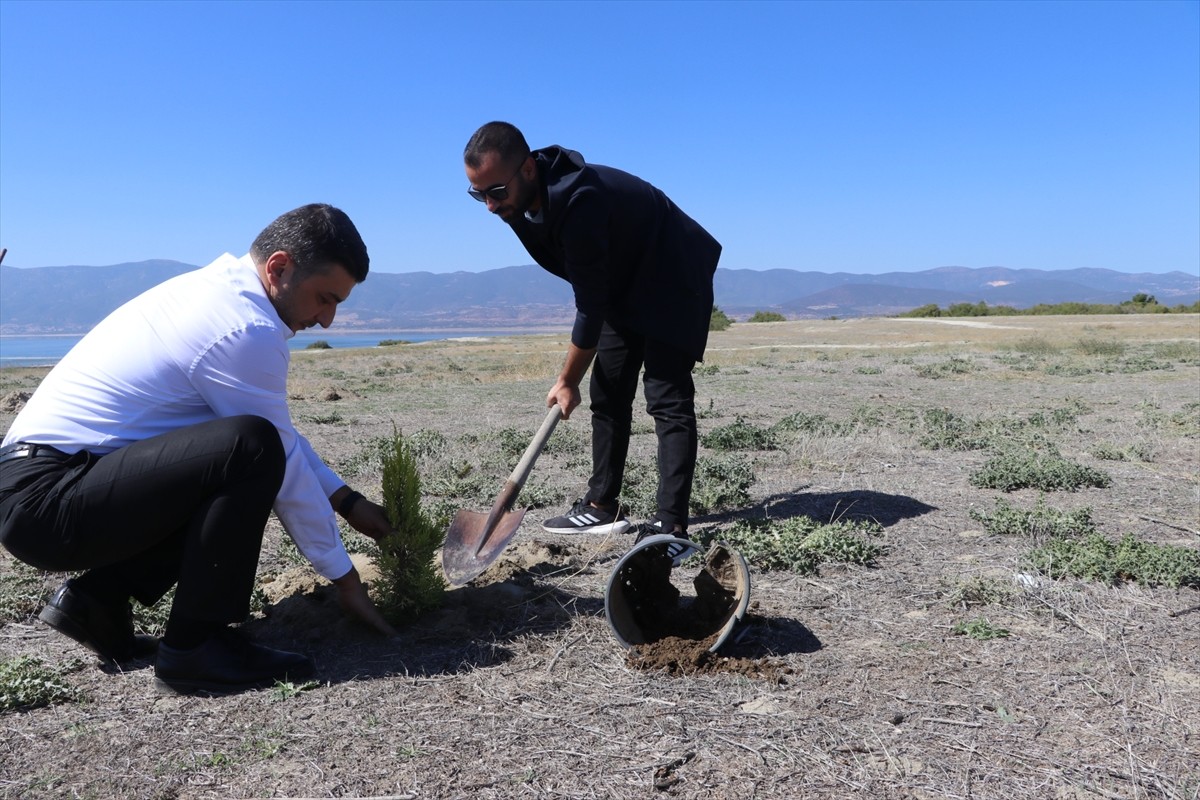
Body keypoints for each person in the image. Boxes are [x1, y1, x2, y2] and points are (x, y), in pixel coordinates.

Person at [0, 203, 396, 695]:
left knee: (241, 450)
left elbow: (284, 438)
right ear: (279, 267)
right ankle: (197, 647)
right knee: (249, 449)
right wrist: (345, 578)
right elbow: (277, 457)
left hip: (44, 487)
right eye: (324, 298)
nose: (328, 320)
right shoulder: (242, 328)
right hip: (47, 501)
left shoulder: (217, 295)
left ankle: (97, 604)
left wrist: (347, 501)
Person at [463, 122, 722, 555]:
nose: (490, 205)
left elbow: (589, 305)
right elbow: (588, 286)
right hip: (625, 282)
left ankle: (671, 526)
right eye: (479, 194)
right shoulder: (517, 202)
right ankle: (603, 505)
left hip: (673, 274)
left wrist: (567, 380)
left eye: (496, 191)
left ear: (528, 169)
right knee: (608, 389)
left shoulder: (580, 200)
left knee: (666, 396)